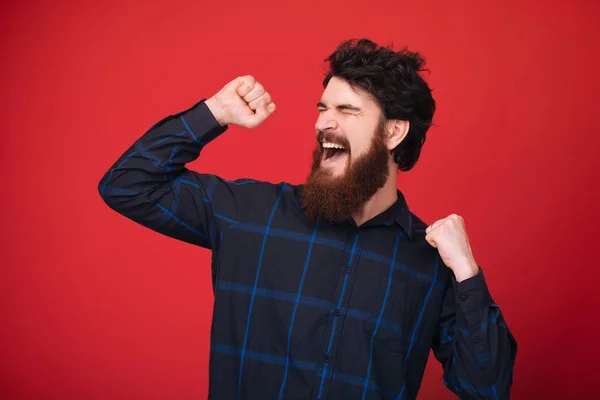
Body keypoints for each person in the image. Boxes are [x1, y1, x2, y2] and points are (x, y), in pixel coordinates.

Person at [98, 38, 517, 400]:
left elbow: (486, 388)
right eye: (322, 108)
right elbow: (128, 185)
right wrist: (213, 113)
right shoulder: (249, 213)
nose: (322, 123)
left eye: (347, 110)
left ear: (393, 133)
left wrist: (467, 273)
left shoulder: (429, 261)